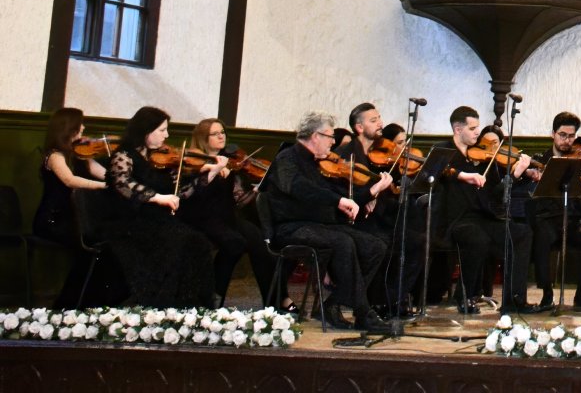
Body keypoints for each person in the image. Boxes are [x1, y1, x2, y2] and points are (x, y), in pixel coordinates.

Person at [262, 111, 388, 331]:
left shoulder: (317, 163)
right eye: (330, 136)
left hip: (317, 225)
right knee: (342, 242)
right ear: (315, 136)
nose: (333, 142)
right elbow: (301, 188)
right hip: (290, 228)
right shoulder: (287, 158)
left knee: (375, 246)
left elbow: (336, 195)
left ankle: (334, 302)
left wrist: (371, 192)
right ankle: (363, 312)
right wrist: (338, 200)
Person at [101, 105, 216, 307]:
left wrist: (207, 176)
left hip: (158, 221)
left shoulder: (161, 158)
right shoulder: (124, 156)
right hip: (131, 223)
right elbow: (122, 183)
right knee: (178, 243)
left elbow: (179, 192)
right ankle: (163, 304)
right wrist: (156, 197)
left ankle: (190, 305)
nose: (167, 135)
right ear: (146, 131)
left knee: (199, 243)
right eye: (162, 130)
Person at [439, 105, 534, 314]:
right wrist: (465, 175)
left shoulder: (483, 156)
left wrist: (514, 175)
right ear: (457, 129)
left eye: (477, 128)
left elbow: (495, 193)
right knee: (477, 237)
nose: (477, 132)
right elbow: (438, 171)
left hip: (482, 217)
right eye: (472, 128)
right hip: (456, 220)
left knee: (522, 233)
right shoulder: (444, 150)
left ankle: (514, 300)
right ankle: (465, 295)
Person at [178, 117, 280, 307]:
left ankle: (275, 302)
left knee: (261, 244)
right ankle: (213, 299)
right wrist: (214, 170)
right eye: (215, 134)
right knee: (235, 244)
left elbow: (236, 199)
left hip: (226, 215)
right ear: (203, 138)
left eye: (222, 132)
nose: (221, 136)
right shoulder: (194, 160)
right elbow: (189, 196)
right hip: (201, 217)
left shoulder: (229, 160)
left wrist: (255, 191)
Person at [340, 102, 427, 316]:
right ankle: (376, 302)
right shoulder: (346, 154)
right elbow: (346, 193)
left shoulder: (385, 151)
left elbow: (393, 184)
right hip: (358, 220)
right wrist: (370, 193)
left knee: (418, 241)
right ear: (359, 128)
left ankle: (394, 298)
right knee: (382, 243)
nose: (380, 123)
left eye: (379, 118)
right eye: (373, 120)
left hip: (385, 215)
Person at [32, 107, 113, 306]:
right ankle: (68, 304)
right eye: (80, 124)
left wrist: (121, 180)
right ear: (68, 128)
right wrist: (105, 186)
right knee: (89, 249)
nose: (84, 127)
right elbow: (69, 180)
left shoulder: (80, 153)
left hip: (74, 218)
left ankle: (84, 302)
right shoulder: (54, 156)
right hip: (53, 220)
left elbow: (101, 172)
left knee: (101, 248)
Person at [527, 111, 581, 314]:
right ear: (553, 134)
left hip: (574, 217)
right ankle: (547, 295)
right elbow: (530, 189)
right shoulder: (540, 159)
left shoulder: (580, 162)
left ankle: (580, 297)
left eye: (571, 136)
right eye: (562, 135)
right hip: (548, 218)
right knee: (541, 236)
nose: (567, 140)